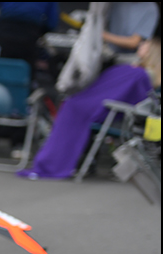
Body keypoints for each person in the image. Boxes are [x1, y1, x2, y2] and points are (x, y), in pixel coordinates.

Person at [17, 36, 160, 180]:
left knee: (73, 109)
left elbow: (125, 95)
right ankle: (53, 163)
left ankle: (53, 164)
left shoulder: (140, 74)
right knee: (72, 107)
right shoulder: (138, 72)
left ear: (152, 51)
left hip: (102, 108)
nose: (141, 45)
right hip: (97, 105)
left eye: (145, 45)